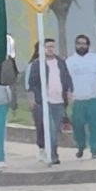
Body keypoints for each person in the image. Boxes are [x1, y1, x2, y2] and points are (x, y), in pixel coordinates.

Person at [25, 38, 72, 166]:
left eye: (52, 47)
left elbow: (67, 78)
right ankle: (52, 155)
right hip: (44, 102)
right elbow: (31, 83)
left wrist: (69, 91)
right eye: (47, 47)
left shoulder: (61, 63)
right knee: (49, 128)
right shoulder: (37, 64)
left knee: (55, 129)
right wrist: (32, 98)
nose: (50, 49)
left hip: (59, 101)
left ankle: (51, 151)